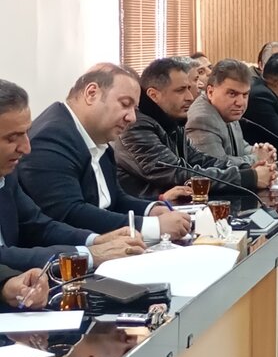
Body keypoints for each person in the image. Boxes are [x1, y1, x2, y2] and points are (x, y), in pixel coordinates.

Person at [18, 64, 192, 241]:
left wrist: (152, 210)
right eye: (125, 104)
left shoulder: (96, 138)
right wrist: (153, 226)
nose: (132, 118)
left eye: (135, 109)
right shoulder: (51, 138)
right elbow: (68, 213)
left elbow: (115, 199)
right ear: (91, 93)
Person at [0, 79, 145, 271]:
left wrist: (96, 240)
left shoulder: (6, 175)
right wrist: (90, 255)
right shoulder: (51, 136)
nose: (26, 148)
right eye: (12, 138)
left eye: (26, 133)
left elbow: (38, 225)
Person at [113, 58, 272, 199]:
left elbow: (200, 160)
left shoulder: (171, 120)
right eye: (180, 90)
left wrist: (246, 169)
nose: (190, 97)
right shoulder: (135, 127)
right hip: (146, 213)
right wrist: (248, 177)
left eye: (189, 88)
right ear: (154, 95)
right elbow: (178, 174)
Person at [186, 59, 277, 167]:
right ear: (210, 92)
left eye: (245, 95)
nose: (240, 103)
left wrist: (258, 150)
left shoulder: (227, 111)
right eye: (232, 94)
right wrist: (257, 158)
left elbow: (240, 146)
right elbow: (217, 165)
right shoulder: (201, 120)